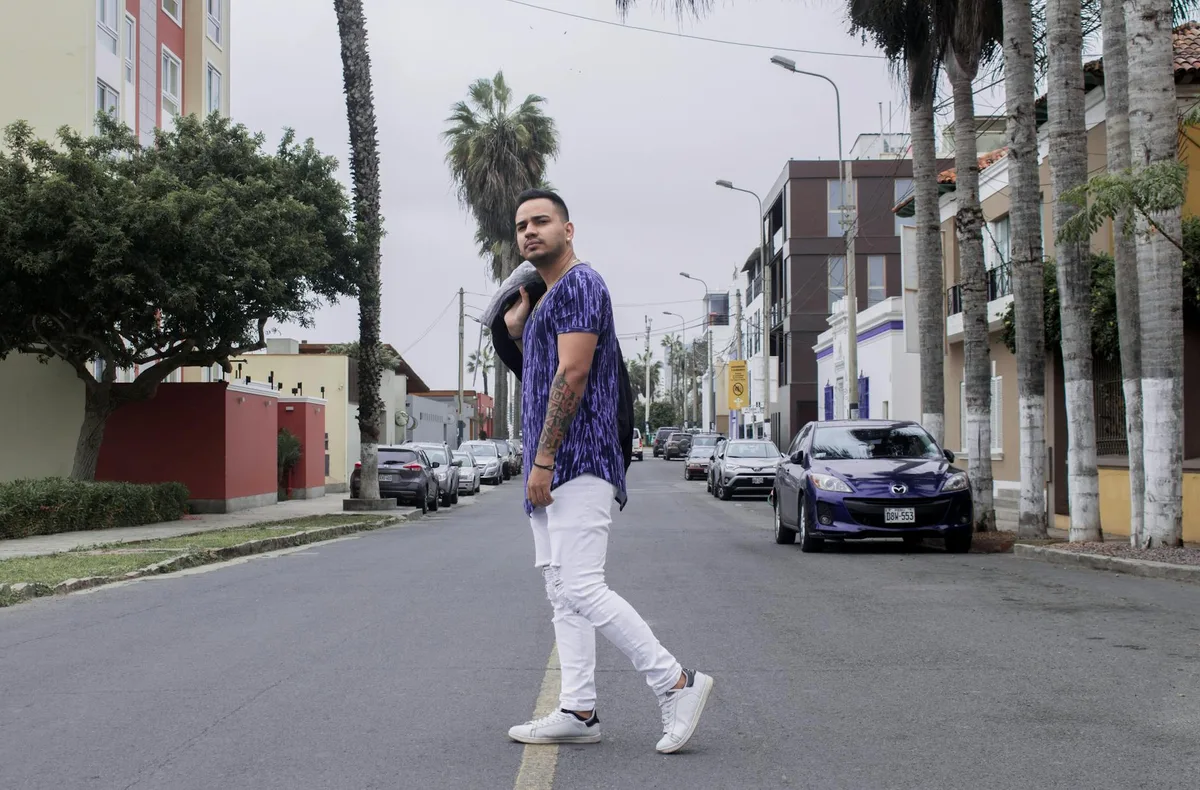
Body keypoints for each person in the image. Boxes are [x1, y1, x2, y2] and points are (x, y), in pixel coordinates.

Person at [502, 188, 713, 754]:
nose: (529, 231)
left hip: (578, 461)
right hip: (549, 467)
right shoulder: (549, 300)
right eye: (522, 224)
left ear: (568, 230)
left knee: (582, 586)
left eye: (541, 221)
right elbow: (546, 369)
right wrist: (523, 330)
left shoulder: (581, 284)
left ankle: (676, 683)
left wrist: (544, 460)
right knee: (560, 589)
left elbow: (572, 376)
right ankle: (578, 709)